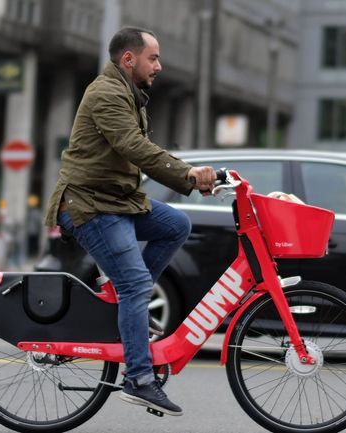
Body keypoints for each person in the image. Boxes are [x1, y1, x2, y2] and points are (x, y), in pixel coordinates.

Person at [43, 27, 215, 417]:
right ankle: (139, 380)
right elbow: (134, 147)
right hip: (89, 206)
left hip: (117, 202)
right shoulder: (106, 93)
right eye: (153, 57)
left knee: (176, 225)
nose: (159, 65)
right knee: (137, 281)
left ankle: (125, 307)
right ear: (128, 59)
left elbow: (142, 151)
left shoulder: (129, 93)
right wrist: (187, 174)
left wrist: (198, 178)